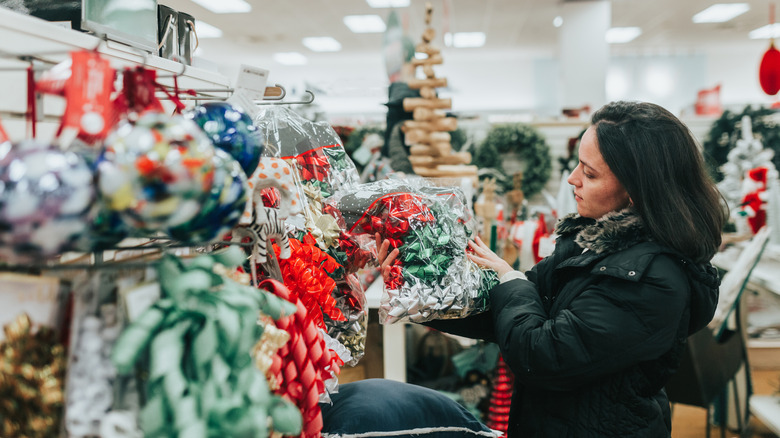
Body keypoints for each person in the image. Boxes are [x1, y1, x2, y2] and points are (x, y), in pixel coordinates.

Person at [376, 100, 728, 437]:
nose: (572, 178)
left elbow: (541, 354)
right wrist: (416, 286)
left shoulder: (652, 280)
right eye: (577, 164)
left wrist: (510, 280)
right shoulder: (592, 243)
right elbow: (510, 313)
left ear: (636, 190)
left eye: (589, 173)